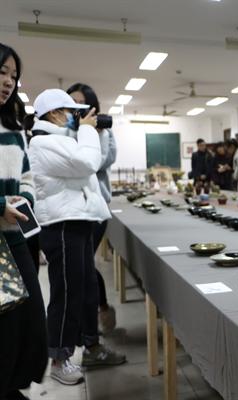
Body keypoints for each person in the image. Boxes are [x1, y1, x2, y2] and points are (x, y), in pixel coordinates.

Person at [28, 88, 126, 386]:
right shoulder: (42, 143)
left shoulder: (63, 140)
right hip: (61, 226)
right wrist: (86, 131)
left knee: (85, 290)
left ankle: (86, 347)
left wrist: (90, 132)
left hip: (78, 222)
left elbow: (93, 162)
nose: (77, 117)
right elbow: (87, 164)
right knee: (66, 294)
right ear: (54, 114)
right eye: (72, 112)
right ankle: (59, 360)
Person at [0, 42, 48, 400]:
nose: (8, 82)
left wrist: (25, 198)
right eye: (2, 72)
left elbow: (28, 177)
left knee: (29, 321)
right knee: (5, 323)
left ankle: (11, 386)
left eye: (13, 76)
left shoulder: (13, 127)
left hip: (15, 236)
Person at [67, 82, 118, 334]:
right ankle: (95, 319)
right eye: (72, 103)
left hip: (96, 207)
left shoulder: (101, 130)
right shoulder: (65, 129)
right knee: (81, 266)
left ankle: (99, 314)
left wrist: (92, 132)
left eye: (81, 103)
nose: (77, 108)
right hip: (71, 207)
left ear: (92, 106)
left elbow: (98, 162)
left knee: (86, 264)